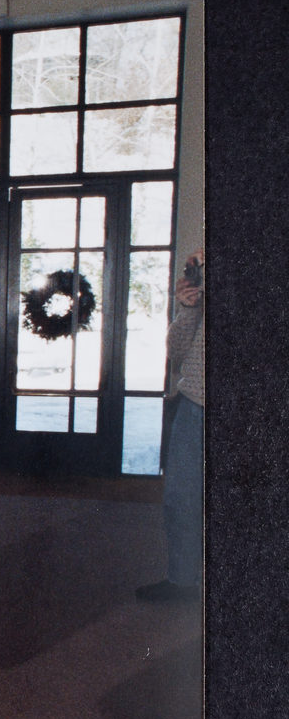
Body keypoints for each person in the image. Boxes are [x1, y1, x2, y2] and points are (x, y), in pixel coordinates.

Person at [136, 248, 204, 602]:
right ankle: (181, 582)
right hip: (194, 404)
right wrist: (188, 307)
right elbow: (176, 353)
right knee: (181, 500)